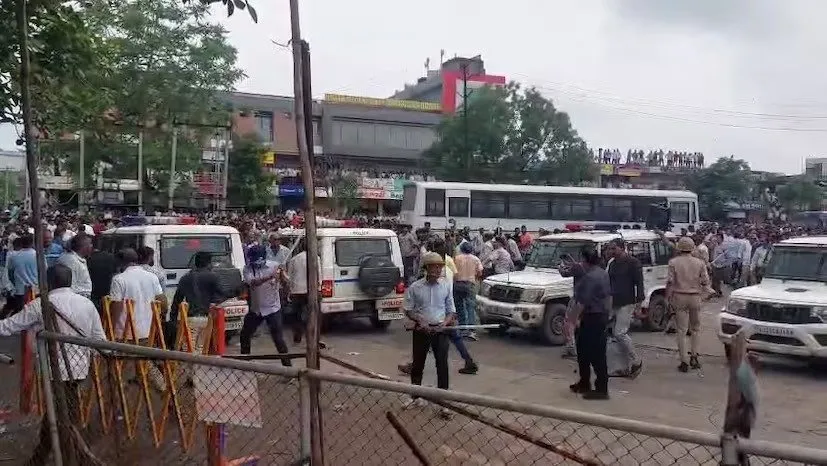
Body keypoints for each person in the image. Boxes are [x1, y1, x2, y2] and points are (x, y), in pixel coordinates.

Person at [0, 264, 107, 465]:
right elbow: (99, 339)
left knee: (60, 416)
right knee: (62, 413)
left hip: (54, 369)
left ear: (49, 282)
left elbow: (9, 326)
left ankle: (69, 457)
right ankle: (51, 456)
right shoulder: (86, 304)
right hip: (79, 368)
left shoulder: (41, 304)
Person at [402, 252, 456, 416]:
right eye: (434, 266)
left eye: (440, 266)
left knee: (442, 365)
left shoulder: (446, 285)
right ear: (426, 268)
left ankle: (443, 402)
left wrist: (444, 324)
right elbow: (408, 309)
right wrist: (420, 320)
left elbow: (451, 311)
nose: (438, 269)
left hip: (440, 331)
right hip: (421, 330)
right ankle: (415, 397)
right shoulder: (415, 287)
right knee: (418, 364)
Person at [569, 246, 612, 400]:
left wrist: (571, 321)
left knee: (595, 353)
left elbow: (582, 302)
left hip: (593, 317)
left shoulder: (591, 277)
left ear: (585, 260)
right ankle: (584, 382)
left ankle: (601, 389)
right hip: (600, 315)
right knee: (584, 352)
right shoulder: (602, 273)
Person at [240, 245, 292, 366]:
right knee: (245, 335)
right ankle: (244, 364)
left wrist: (282, 276)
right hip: (256, 309)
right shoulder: (247, 269)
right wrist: (269, 276)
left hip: (272, 308)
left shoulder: (274, 266)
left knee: (278, 339)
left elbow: (286, 283)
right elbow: (253, 282)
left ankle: (288, 367)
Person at [667, 237, 710, 373]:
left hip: (679, 296)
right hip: (695, 297)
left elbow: (670, 282)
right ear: (692, 248)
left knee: (681, 330)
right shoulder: (699, 263)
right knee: (695, 329)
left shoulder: (673, 262)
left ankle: (683, 360)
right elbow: (705, 281)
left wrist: (667, 297)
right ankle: (694, 357)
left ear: (679, 248)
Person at [109, 248, 167, 341]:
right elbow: (162, 301)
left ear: (120, 262)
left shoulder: (118, 279)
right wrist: (160, 318)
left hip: (125, 334)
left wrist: (111, 327)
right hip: (149, 332)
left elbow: (117, 305)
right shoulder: (152, 277)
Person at [605, 239, 644, 378]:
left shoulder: (633, 263)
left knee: (620, 333)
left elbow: (639, 284)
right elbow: (608, 285)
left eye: (613, 249)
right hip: (613, 302)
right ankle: (624, 367)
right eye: (609, 249)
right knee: (616, 336)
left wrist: (638, 305)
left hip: (627, 302)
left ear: (622, 248)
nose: (610, 251)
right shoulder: (613, 264)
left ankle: (636, 361)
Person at [453, 242, 482, 340]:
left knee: (459, 306)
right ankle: (471, 330)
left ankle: (462, 328)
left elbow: (453, 271)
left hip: (457, 283)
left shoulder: (456, 258)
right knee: (470, 307)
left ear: (461, 249)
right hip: (470, 284)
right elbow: (480, 272)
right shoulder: (475, 259)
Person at [4, 234, 38, 317]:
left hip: (20, 290)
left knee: (21, 315)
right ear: (32, 243)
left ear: (21, 244)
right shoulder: (38, 255)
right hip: (35, 290)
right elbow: (45, 270)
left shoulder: (14, 256)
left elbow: (10, 273)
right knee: (35, 314)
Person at [57, 233, 93, 299]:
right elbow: (70, 286)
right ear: (84, 246)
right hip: (76, 299)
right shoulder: (71, 260)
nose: (92, 246)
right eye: (90, 243)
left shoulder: (78, 259)